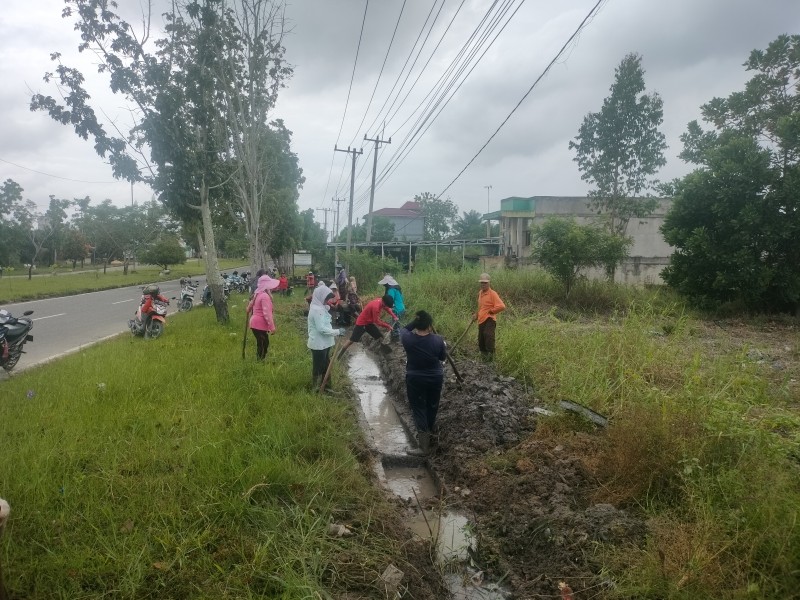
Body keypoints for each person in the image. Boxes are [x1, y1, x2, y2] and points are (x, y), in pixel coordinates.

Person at [400, 310, 447, 456]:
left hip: (416, 378)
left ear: (416, 324)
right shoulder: (438, 340)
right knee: (432, 404)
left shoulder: (407, 339)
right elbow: (442, 357)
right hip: (435, 377)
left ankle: (423, 447)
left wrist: (415, 321)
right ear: (430, 324)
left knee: (419, 408)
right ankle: (429, 433)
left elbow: (403, 329)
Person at [307, 284, 346, 390]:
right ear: (320, 297)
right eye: (326, 298)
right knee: (318, 367)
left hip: (324, 343)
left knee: (326, 366)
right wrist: (337, 331)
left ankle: (327, 387)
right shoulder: (316, 310)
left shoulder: (320, 307)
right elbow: (321, 329)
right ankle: (316, 389)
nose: (327, 300)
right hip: (319, 344)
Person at [474, 272, 505, 361]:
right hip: (481, 319)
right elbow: (480, 306)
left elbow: (502, 306)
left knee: (488, 336)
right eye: (482, 283)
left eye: (485, 283)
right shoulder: (480, 293)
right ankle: (484, 359)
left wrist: (492, 311)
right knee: (481, 339)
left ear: (489, 283)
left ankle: (491, 359)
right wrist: (476, 314)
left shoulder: (493, 294)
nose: (483, 284)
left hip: (490, 319)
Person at [247, 274, 279, 361]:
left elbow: (251, 303)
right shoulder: (264, 296)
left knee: (263, 342)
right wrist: (272, 327)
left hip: (255, 323)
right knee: (262, 343)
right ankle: (260, 361)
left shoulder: (258, 293)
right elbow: (267, 313)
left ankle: (260, 360)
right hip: (259, 323)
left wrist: (248, 309)